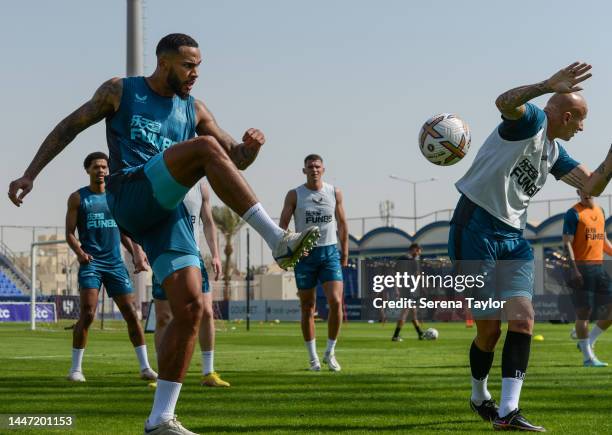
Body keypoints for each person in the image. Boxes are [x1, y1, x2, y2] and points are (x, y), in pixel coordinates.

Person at [8, 33, 319, 435]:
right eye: (189, 65)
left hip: (167, 216)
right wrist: (30, 174)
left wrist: (250, 148)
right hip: (131, 194)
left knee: (191, 308)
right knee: (204, 148)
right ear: (164, 62)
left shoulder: (194, 108)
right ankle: (277, 238)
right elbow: (70, 127)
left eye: (199, 67)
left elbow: (233, 158)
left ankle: (160, 418)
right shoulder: (121, 91)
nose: (195, 74)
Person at [449, 62, 612, 432]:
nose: (582, 129)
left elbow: (592, 185)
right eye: (580, 121)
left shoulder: (554, 152)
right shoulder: (533, 121)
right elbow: (504, 101)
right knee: (488, 332)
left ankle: (508, 412)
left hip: (513, 239)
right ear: (566, 116)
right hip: (475, 227)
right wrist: (545, 85)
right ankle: (479, 396)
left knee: (523, 319)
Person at [65, 152, 156, 382]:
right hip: (91, 264)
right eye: (96, 167)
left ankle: (145, 367)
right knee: (87, 314)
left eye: (105, 166)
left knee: (131, 315)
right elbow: (69, 233)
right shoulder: (78, 198)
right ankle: (76, 370)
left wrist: (137, 253)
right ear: (88, 170)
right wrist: (80, 253)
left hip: (115, 264)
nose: (102, 170)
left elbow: (125, 231)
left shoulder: (116, 197)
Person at [152, 180, 228, 387]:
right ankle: (162, 374)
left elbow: (208, 222)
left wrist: (215, 255)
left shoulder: (201, 186)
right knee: (163, 318)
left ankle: (208, 372)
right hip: (164, 254)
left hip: (193, 256)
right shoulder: (159, 179)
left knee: (207, 312)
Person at [279, 154, 348, 371]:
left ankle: (330, 352)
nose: (314, 170)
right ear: (304, 171)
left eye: (317, 166)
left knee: (336, 301)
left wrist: (344, 252)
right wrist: (287, 250)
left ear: (323, 169)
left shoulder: (334, 192)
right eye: (310, 167)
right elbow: (282, 226)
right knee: (308, 307)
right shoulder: (295, 195)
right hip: (305, 256)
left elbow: (343, 224)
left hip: (329, 253)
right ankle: (313, 358)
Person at [563, 189, 612, 367]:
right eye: (581, 190)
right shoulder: (573, 213)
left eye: (588, 188)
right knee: (584, 313)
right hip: (581, 268)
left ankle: (588, 341)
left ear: (596, 189)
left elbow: (603, 241)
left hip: (598, 268)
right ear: (577, 192)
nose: (585, 192)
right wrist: (574, 269)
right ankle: (587, 358)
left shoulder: (600, 211)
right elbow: (567, 242)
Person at [391, 243, 425, 341]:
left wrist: (396, 288)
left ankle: (420, 334)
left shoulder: (402, 258)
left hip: (405, 289)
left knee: (413, 313)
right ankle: (396, 335)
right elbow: (417, 275)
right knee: (406, 312)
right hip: (408, 290)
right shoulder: (412, 261)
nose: (419, 253)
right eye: (418, 251)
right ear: (414, 249)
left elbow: (395, 274)